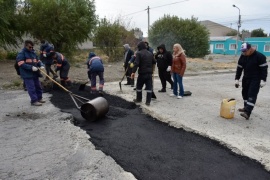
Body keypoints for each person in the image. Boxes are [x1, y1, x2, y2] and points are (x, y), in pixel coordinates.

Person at [235, 42, 268, 120]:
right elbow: (239, 68)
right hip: (246, 77)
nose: (243, 52)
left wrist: (263, 80)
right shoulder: (243, 56)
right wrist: (237, 79)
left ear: (250, 49)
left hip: (255, 79)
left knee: (251, 94)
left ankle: (247, 112)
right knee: (245, 93)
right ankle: (246, 107)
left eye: (245, 51)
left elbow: (264, 69)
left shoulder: (260, 56)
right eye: (242, 51)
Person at [16, 40, 46, 106]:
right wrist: (31, 67)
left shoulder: (33, 53)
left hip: (35, 73)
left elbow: (37, 60)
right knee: (31, 88)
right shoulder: (22, 53)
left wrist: (41, 65)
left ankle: (39, 98)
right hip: (27, 74)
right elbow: (21, 63)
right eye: (30, 47)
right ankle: (34, 101)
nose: (31, 48)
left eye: (32, 47)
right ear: (25, 46)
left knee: (38, 86)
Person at [131, 41, 156, 106]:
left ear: (139, 47)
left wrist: (133, 72)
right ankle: (148, 102)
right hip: (149, 73)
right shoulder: (150, 53)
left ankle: (139, 99)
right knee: (149, 88)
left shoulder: (139, 53)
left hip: (142, 73)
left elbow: (136, 63)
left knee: (139, 86)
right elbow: (154, 61)